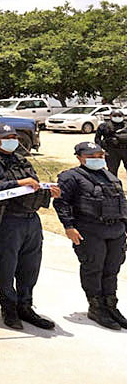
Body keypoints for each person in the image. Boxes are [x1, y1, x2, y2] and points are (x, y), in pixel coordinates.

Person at [0, 122, 60, 331]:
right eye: (7, 138)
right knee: (7, 267)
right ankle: (9, 307)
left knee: (30, 267)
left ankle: (25, 305)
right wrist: (17, 184)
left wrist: (47, 190)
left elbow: (34, 183)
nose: (12, 141)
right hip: (7, 220)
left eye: (14, 137)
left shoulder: (21, 159)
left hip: (31, 220)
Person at [53, 141, 127, 329]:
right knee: (93, 269)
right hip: (90, 230)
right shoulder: (71, 177)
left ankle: (110, 305)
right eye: (91, 157)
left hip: (115, 230)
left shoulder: (109, 175)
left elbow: (121, 203)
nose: (97, 159)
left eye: (100, 156)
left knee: (112, 269)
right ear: (79, 158)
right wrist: (69, 226)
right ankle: (96, 307)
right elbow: (61, 202)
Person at [95, 109, 127, 179]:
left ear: (123, 116)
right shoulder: (104, 126)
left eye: (119, 115)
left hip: (125, 150)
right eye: (115, 115)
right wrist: (101, 149)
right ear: (110, 116)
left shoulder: (125, 125)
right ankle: (114, 188)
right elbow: (97, 139)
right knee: (112, 171)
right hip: (111, 151)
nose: (117, 117)